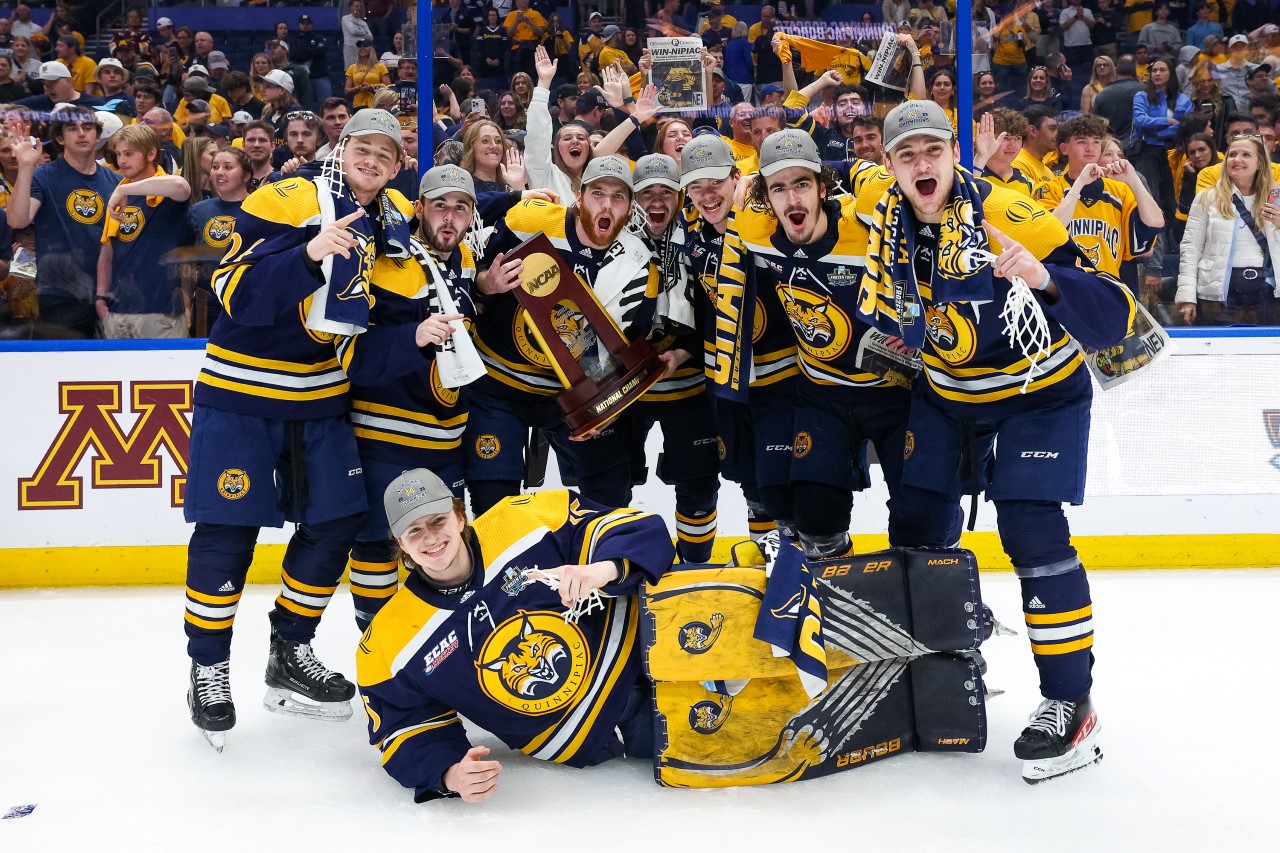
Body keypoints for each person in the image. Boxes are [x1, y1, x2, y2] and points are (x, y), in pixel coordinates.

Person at [858, 99, 1136, 784]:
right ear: (889, 167)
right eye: (906, 155)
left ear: (952, 154)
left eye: (932, 150)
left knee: (1031, 528)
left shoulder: (1014, 215)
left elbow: (1115, 315)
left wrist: (1043, 277)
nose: (921, 165)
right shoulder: (879, 216)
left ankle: (1070, 698)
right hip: (949, 397)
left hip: (1038, 395)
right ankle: (943, 667)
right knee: (916, 526)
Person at [182, 110, 443, 750]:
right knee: (228, 530)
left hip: (324, 397)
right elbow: (233, 290)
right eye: (365, 148)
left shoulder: (395, 225)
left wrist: (421, 333)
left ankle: (288, 650)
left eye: (387, 153)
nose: (374, 160)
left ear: (399, 163)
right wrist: (309, 252)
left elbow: (369, 329)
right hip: (243, 393)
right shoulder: (291, 196)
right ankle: (209, 668)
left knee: (335, 522)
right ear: (343, 147)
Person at [356, 468, 675, 803]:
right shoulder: (387, 643)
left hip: (653, 664)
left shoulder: (523, 518)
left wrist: (597, 571)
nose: (431, 537)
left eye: (438, 520)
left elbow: (640, 529)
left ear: (460, 516)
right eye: (414, 530)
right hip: (590, 747)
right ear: (400, 543)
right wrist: (449, 773)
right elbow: (403, 726)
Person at [463, 156, 655, 516]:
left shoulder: (638, 259)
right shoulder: (529, 221)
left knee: (612, 489)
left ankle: (598, 568)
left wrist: (609, 406)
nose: (607, 204)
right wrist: (484, 284)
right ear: (578, 197)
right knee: (493, 497)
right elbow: (465, 268)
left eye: (618, 197)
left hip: (570, 394)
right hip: (498, 385)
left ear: (631, 208)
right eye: (598, 193)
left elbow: (626, 345)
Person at [344, 164, 481, 629]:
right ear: (418, 208)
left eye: (460, 208)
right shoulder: (386, 259)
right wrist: (412, 336)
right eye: (439, 205)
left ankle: (436, 647)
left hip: (447, 440)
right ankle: (377, 644)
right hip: (387, 436)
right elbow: (354, 352)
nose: (449, 217)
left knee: (447, 544)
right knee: (376, 544)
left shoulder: (464, 260)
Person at [679, 134, 799, 548]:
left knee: (781, 485)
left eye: (715, 182)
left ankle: (797, 572)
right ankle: (767, 567)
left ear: (736, 178)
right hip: (727, 387)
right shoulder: (691, 232)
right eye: (696, 186)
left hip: (782, 383)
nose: (706, 194)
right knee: (751, 484)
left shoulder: (769, 227)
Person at [5, 106, 121, 337]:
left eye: (88, 128)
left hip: (109, 294)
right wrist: (27, 167)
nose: (81, 133)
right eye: (72, 128)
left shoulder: (117, 182)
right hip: (60, 293)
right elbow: (17, 221)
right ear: (60, 137)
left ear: (97, 136)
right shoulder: (44, 175)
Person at [1039, 114, 1165, 281]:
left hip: (1108, 285)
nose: (1090, 148)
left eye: (1096, 142)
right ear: (1064, 148)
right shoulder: (1048, 189)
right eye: (1081, 141)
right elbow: (1050, 233)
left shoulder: (1120, 190)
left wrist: (1133, 180)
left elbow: (1156, 223)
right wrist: (1079, 184)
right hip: (1064, 285)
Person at [96, 124, 192, 339]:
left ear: (151, 154)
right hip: (117, 311)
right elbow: (107, 251)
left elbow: (181, 186)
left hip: (160, 310)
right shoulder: (118, 196)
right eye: (119, 154)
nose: (121, 161)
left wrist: (124, 189)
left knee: (161, 374)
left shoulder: (163, 192)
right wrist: (101, 299)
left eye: (129, 153)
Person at [1177, 133, 1280, 325]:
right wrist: (1187, 297)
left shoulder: (1277, 196)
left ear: (1260, 163)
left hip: (1270, 292)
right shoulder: (1207, 198)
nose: (1236, 160)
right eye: (1232, 154)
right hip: (1218, 295)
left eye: (1246, 155)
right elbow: (1190, 249)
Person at [179, 147, 253, 335]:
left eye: (228, 167)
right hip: (206, 305)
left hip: (249, 302)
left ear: (246, 176)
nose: (220, 172)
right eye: (215, 167)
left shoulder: (260, 209)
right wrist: (187, 305)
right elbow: (187, 262)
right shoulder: (199, 210)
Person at [1132, 58, 1192, 218]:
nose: (1157, 73)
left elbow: (1185, 126)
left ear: (1171, 73)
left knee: (1171, 198)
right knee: (1148, 194)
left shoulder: (1183, 99)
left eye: (1162, 70)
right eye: (1154, 70)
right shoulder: (1142, 96)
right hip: (1147, 150)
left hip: (1174, 151)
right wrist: (1167, 121)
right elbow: (1139, 120)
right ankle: (1153, 240)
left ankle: (1172, 240)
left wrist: (1158, 131)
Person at [974, 108, 1036, 197]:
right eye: (1005, 138)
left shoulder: (1028, 184)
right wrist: (981, 157)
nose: (1012, 145)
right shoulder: (972, 172)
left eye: (1018, 138)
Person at [1090, 55, 1144, 144]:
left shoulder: (1102, 94)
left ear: (1116, 69)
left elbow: (1095, 126)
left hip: (1112, 146)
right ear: (1135, 70)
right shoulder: (1144, 90)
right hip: (1139, 146)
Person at [346, 39, 390, 111]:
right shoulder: (352, 67)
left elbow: (388, 87)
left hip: (376, 104)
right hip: (358, 104)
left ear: (371, 49)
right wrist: (358, 88)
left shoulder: (380, 67)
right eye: (360, 46)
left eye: (365, 46)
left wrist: (371, 87)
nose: (362, 48)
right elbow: (347, 90)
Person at [342, 0, 375, 71]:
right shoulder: (345, 18)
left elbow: (370, 37)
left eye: (360, 6)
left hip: (362, 50)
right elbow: (352, 31)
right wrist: (363, 32)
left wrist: (358, 32)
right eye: (357, 6)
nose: (359, 8)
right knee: (350, 72)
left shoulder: (363, 23)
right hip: (350, 49)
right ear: (351, 7)